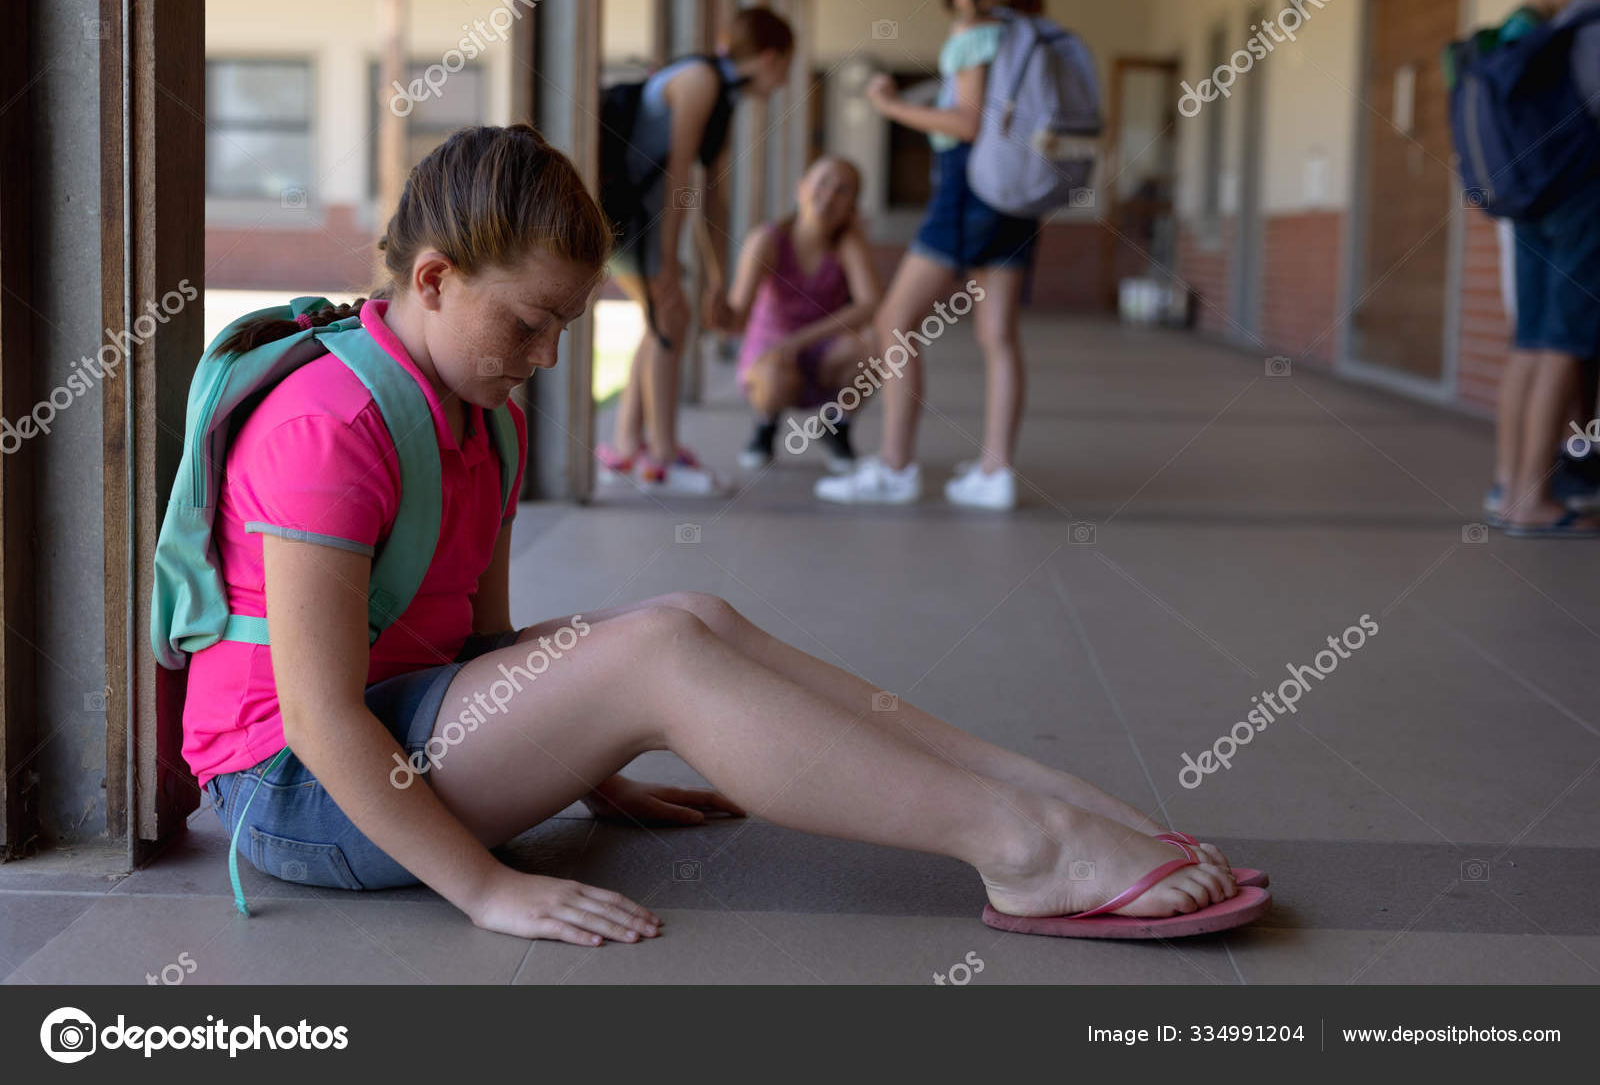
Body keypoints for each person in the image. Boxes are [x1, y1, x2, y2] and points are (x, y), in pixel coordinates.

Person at [181, 125, 1260, 945]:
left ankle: (1052, 800)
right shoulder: (330, 423)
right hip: (298, 792)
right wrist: (488, 890)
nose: (549, 356)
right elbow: (318, 721)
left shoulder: (483, 409)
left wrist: (582, 755)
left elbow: (483, 646)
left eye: (568, 324)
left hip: (400, 734)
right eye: (528, 321)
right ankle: (1023, 852)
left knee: (691, 616)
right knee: (654, 656)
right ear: (432, 279)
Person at [815, 0, 1042, 511]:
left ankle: (895, 467)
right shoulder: (1028, 34)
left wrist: (893, 107)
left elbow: (966, 123)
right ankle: (995, 472)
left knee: (895, 321)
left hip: (968, 189)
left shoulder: (973, 33)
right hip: (1019, 192)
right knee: (998, 336)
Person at [596, 7, 794, 495]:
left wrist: (719, 278)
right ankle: (661, 458)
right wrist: (666, 259)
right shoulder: (701, 81)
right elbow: (679, 176)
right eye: (788, 64)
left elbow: (713, 196)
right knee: (670, 315)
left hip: (643, 219)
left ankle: (626, 447)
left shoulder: (723, 97)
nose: (787, 77)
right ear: (770, 58)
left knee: (665, 319)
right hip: (621, 215)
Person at [1491, 0, 1600, 535]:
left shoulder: (1521, 31)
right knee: (1564, 345)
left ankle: (1509, 489)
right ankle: (1532, 500)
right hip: (1577, 201)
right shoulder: (1578, 26)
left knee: (1528, 344)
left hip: (1528, 203)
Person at [717, 155, 881, 470]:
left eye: (842, 190)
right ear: (801, 189)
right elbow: (737, 318)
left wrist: (801, 340)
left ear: (853, 209)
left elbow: (870, 304)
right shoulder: (766, 240)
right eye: (822, 184)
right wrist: (721, 315)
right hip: (772, 350)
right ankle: (765, 426)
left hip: (822, 348)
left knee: (879, 348)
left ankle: (837, 426)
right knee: (775, 376)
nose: (830, 195)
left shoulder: (849, 244)